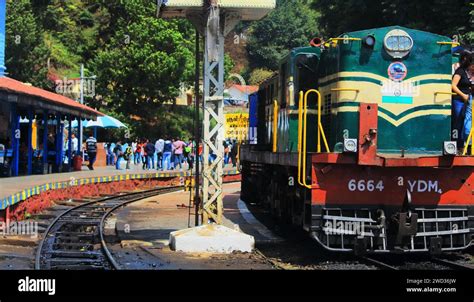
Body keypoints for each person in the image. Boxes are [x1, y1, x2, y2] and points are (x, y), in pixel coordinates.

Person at [452, 52, 474, 150]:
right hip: (459, 99)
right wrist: (463, 95)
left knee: (468, 120)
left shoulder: (472, 73)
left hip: (469, 99)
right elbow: (453, 86)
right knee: (458, 120)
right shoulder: (460, 71)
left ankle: (467, 144)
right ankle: (458, 144)